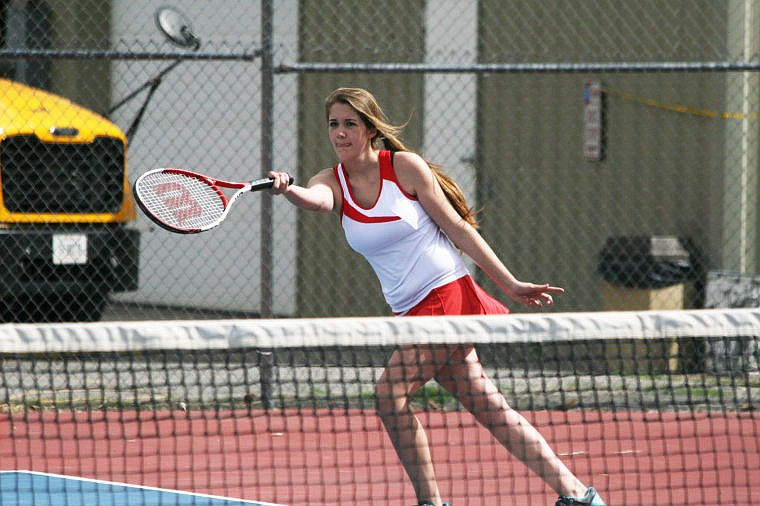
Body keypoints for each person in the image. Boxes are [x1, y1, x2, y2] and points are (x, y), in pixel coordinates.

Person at [268, 87, 606, 506]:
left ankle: (432, 503)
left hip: (446, 295)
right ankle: (580, 496)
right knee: (492, 410)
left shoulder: (405, 168)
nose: (340, 133)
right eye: (334, 124)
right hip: (410, 310)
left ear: (371, 129)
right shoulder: (330, 181)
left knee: (388, 397)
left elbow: (459, 228)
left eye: (350, 124)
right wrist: (287, 189)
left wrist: (509, 283)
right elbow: (317, 201)